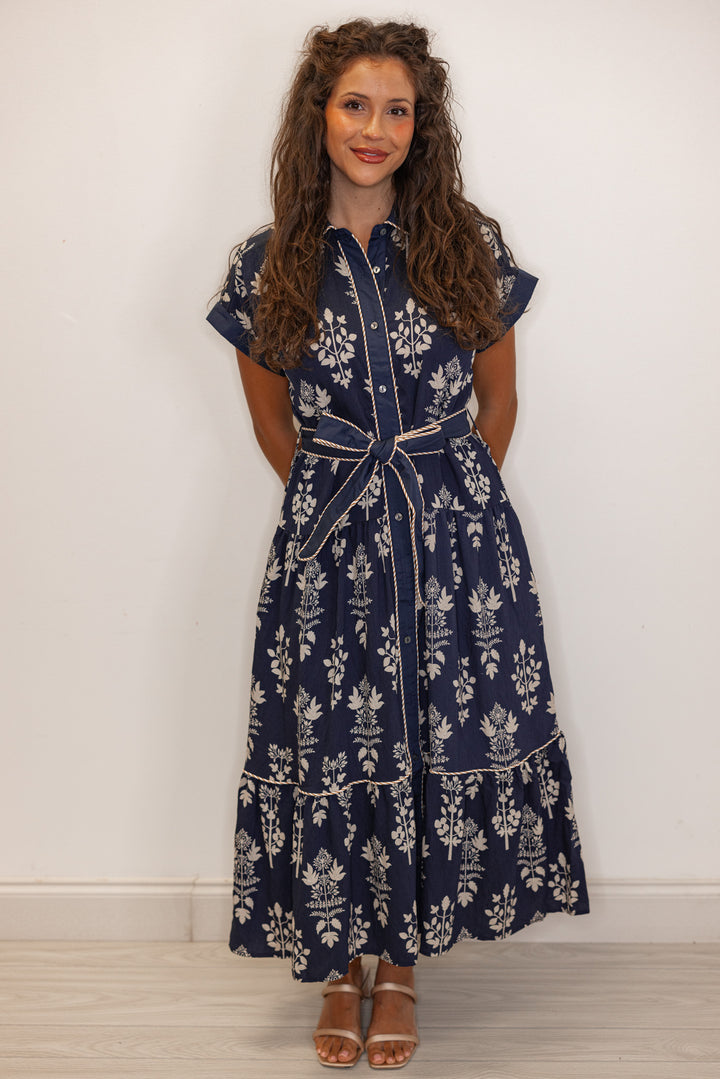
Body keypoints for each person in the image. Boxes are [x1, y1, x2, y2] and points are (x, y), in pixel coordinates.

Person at [207, 18, 589, 1070]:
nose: (376, 128)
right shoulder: (268, 260)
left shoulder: (466, 241)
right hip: (329, 552)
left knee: (428, 744)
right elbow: (272, 425)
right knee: (337, 745)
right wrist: (345, 518)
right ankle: (340, 965)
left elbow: (498, 400)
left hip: (459, 546)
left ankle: (406, 968)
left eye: (398, 109)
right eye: (356, 105)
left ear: (423, 126)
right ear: (317, 115)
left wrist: (451, 511)